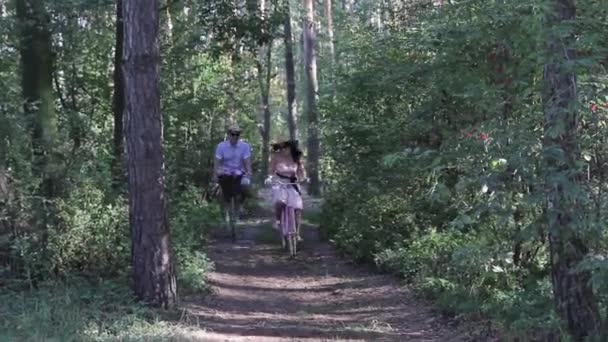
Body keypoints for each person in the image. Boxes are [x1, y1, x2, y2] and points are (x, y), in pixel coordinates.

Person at [265, 138, 305, 242]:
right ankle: (278, 220)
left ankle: (297, 234)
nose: (284, 150)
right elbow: (271, 170)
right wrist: (269, 177)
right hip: (279, 181)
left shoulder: (296, 157)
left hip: (292, 182)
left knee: (297, 208)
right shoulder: (276, 157)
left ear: (291, 148)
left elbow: (301, 170)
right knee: (280, 201)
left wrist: (303, 178)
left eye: (286, 147)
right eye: (282, 148)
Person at [214, 123, 253, 211]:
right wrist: (215, 175)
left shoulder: (245, 146)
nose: (235, 136)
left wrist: (249, 172)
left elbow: (247, 162)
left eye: (237, 134)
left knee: (245, 185)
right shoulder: (221, 146)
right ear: (228, 134)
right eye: (233, 134)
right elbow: (217, 162)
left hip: (240, 172)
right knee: (219, 188)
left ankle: (241, 204)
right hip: (225, 172)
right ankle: (225, 205)